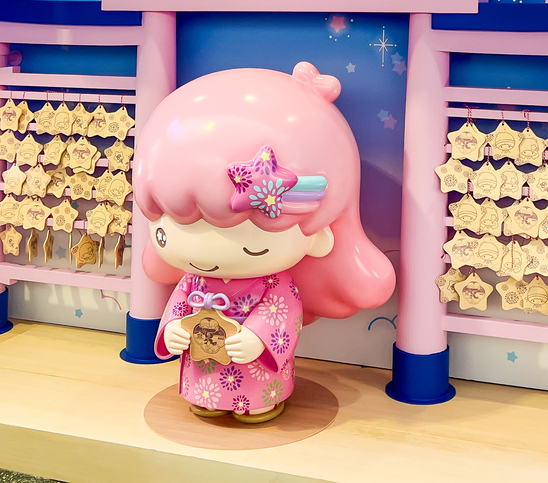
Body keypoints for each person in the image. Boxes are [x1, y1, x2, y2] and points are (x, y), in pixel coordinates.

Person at [137, 61, 395, 423]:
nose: (208, 251)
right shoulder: (193, 280)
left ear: (317, 234)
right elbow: (179, 305)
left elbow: (282, 314)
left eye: (250, 244)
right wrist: (174, 330)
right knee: (204, 390)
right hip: (203, 365)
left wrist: (257, 339)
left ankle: (260, 403)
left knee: (255, 390)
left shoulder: (275, 284)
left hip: (255, 369)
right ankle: (206, 400)